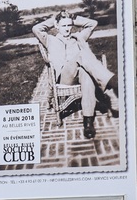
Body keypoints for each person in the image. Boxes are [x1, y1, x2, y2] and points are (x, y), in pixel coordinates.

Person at [33, 10, 119, 139]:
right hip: (64, 77)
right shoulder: (49, 40)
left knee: (86, 74)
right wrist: (55, 19)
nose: (67, 29)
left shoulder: (78, 36)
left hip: (79, 74)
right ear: (56, 26)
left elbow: (92, 23)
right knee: (81, 55)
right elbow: (36, 28)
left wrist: (73, 18)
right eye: (63, 26)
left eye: (69, 25)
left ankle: (88, 122)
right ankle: (110, 80)